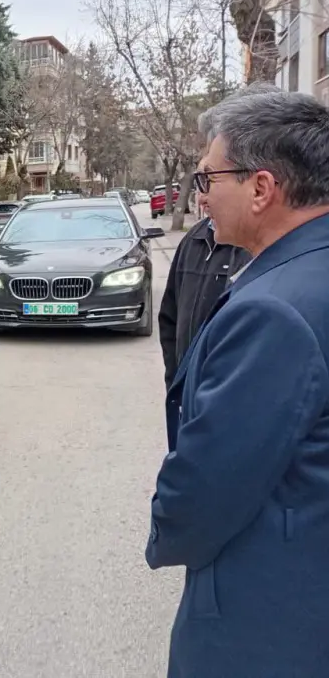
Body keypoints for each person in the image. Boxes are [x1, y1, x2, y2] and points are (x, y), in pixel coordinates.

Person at [147, 89, 329, 677]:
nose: (200, 196)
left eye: (207, 178)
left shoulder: (275, 310)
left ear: (261, 188)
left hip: (271, 620)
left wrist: (167, 531)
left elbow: (207, 489)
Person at [158, 195, 250, 390]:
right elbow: (170, 318)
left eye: (211, 181)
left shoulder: (254, 247)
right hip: (189, 391)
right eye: (200, 183)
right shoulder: (193, 240)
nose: (202, 198)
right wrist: (175, 385)